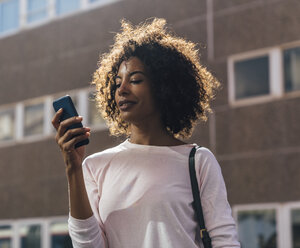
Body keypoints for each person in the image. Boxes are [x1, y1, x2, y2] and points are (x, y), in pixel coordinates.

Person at [52, 18, 240, 248]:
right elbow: (88, 245)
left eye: (135, 80)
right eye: (117, 82)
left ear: (164, 86)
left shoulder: (198, 161)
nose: (121, 90)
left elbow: (224, 242)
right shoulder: (95, 166)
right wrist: (73, 168)